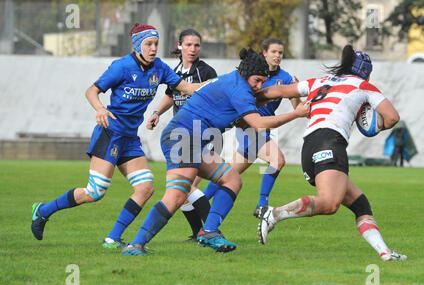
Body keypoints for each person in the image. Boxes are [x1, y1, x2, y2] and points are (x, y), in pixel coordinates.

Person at [121, 48, 311, 256]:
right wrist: (296, 113)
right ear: (247, 74)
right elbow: (258, 123)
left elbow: (273, 94)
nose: (258, 86)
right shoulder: (239, 90)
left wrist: (304, 89)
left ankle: (209, 231)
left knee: (232, 179)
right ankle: (136, 244)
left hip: (192, 141)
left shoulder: (236, 83)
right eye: (256, 81)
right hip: (183, 138)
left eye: (261, 82)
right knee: (175, 197)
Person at [30, 24, 201, 249]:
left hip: (130, 138)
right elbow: (91, 91)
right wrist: (100, 109)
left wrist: (220, 85)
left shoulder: (159, 67)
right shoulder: (121, 67)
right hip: (110, 133)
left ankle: (112, 238)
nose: (153, 49)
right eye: (148, 44)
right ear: (138, 44)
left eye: (156, 44)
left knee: (146, 188)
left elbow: (187, 88)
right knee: (95, 191)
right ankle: (43, 211)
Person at [256, 45, 407, 261]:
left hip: (310, 146)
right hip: (330, 142)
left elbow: (278, 91)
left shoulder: (321, 81)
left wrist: (254, 97)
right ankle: (274, 214)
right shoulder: (364, 86)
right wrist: (374, 126)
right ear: (365, 71)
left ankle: (385, 253)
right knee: (329, 204)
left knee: (360, 203)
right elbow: (392, 117)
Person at [201, 38, 300, 218]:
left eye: (280, 53)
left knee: (227, 173)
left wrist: (296, 95)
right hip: (250, 127)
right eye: (274, 52)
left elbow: (296, 106)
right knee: (278, 160)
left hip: (264, 129)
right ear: (264, 53)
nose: (277, 56)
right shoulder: (251, 74)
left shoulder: (285, 78)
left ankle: (200, 200)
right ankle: (262, 205)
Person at [148, 29, 218, 241]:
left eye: (196, 45)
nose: (192, 49)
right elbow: (171, 94)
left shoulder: (206, 72)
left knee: (186, 187)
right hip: (182, 135)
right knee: (185, 189)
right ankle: (200, 232)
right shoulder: (175, 70)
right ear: (180, 46)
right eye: (188, 45)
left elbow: (213, 99)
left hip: (201, 133)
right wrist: (156, 112)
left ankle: (211, 230)